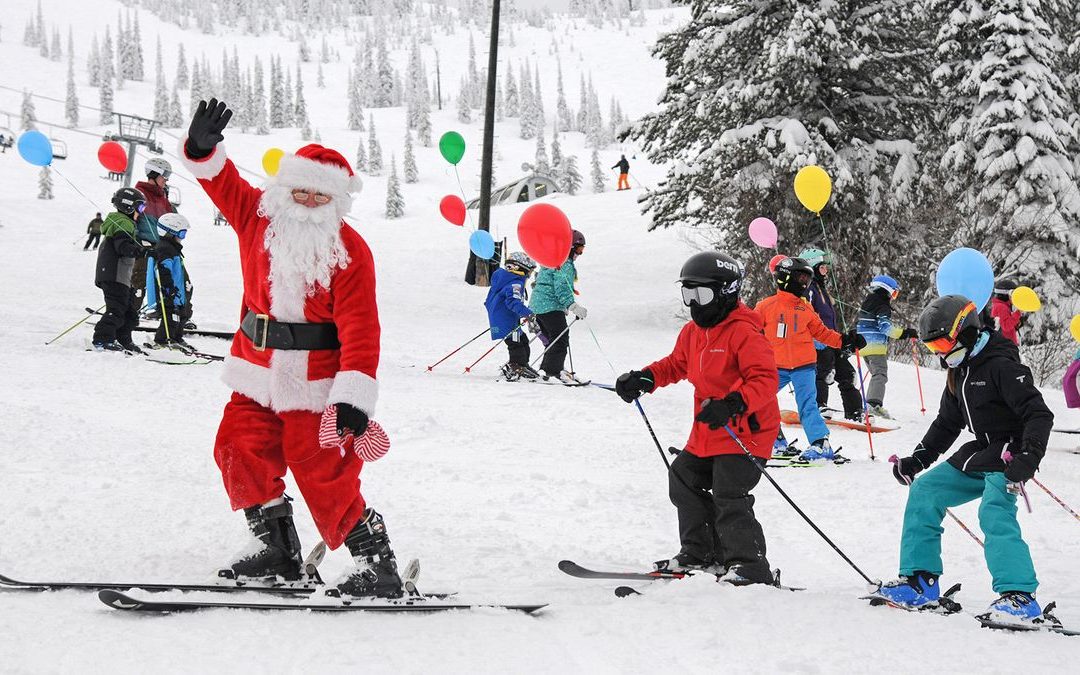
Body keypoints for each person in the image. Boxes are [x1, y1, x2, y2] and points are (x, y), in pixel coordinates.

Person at [180, 98, 401, 598]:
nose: (305, 201)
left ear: (336, 203)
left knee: (325, 472)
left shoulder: (350, 251)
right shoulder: (258, 219)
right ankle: (278, 551)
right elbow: (220, 181)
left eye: (318, 197)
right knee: (238, 447)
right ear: (285, 188)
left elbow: (363, 328)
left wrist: (353, 398)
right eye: (298, 189)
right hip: (255, 372)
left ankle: (376, 563)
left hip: (317, 385)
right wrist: (201, 148)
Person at [872, 295, 1053, 625]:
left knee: (994, 511)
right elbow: (947, 422)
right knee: (925, 491)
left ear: (966, 332)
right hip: (980, 452)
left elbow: (1039, 414)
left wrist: (1029, 456)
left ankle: (1020, 597)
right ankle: (920, 582)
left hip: (1010, 454)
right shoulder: (960, 369)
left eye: (942, 342)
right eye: (933, 346)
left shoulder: (1001, 364)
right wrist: (918, 459)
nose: (940, 352)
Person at [614, 251, 780, 584]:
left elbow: (765, 378)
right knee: (683, 477)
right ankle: (701, 553)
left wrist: (733, 404)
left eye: (700, 294)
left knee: (728, 491)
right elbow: (676, 364)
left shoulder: (744, 332)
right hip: (708, 431)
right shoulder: (693, 333)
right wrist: (644, 378)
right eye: (687, 293)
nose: (693, 303)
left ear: (727, 292)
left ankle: (750, 565)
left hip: (745, 431)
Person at [754, 257, 865, 462]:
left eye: (807, 279)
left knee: (807, 405)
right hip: (775, 367)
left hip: (803, 366)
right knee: (760, 400)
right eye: (801, 278)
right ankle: (775, 441)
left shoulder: (805, 308)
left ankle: (821, 444)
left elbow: (822, 332)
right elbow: (749, 333)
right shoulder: (765, 307)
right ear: (787, 278)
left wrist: (845, 341)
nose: (805, 283)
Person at [801, 247, 862, 422]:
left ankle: (855, 411)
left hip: (832, 338)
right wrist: (813, 337)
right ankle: (818, 405)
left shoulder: (822, 289)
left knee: (847, 374)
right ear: (812, 268)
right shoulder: (809, 289)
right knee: (824, 372)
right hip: (818, 340)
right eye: (822, 268)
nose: (826, 271)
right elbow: (805, 314)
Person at [92, 188, 149, 353]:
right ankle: (102, 339)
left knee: (130, 310)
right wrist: (141, 251)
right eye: (140, 208)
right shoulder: (122, 222)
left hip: (122, 275)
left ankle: (124, 339)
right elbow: (122, 246)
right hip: (114, 274)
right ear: (128, 207)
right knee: (116, 309)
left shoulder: (125, 222)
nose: (141, 213)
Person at [529, 229, 588, 384]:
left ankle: (548, 370)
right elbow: (561, 287)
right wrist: (573, 306)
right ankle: (552, 372)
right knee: (561, 338)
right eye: (579, 249)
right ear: (570, 247)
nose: (579, 254)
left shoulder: (552, 261)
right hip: (549, 306)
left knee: (554, 339)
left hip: (539, 306)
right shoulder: (564, 264)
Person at [856, 275, 918, 419]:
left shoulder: (867, 302)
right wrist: (905, 333)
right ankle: (873, 405)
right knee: (880, 374)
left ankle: (870, 404)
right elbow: (886, 328)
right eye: (894, 293)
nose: (893, 297)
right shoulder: (882, 306)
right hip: (875, 346)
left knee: (876, 375)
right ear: (887, 290)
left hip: (863, 346)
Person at [485, 251, 540, 381]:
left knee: (523, 340)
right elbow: (513, 302)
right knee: (516, 344)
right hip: (506, 321)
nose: (530, 275)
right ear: (520, 268)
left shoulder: (508, 280)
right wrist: (528, 313)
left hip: (507, 320)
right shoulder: (515, 283)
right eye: (530, 271)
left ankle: (522, 364)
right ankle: (515, 366)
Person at [144, 213, 194, 351]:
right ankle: (162, 339)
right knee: (171, 317)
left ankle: (177, 337)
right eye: (181, 234)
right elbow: (163, 270)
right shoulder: (165, 249)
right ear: (170, 232)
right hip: (167, 292)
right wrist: (168, 289)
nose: (182, 238)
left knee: (182, 315)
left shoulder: (173, 249)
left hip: (177, 292)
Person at [136, 157, 177, 319]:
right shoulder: (140, 194)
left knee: (166, 278)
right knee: (141, 278)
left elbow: (171, 220)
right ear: (153, 174)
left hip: (162, 246)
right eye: (164, 175)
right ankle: (130, 310)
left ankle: (166, 311)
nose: (166, 179)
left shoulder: (163, 199)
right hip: (145, 244)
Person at [990, 277, 1022, 346]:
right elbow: (1006, 326)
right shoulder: (1001, 307)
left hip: (1005, 343)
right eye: (1013, 295)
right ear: (1006, 294)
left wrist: (1015, 321)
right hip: (1006, 345)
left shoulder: (1000, 305)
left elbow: (1004, 323)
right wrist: (1018, 313)